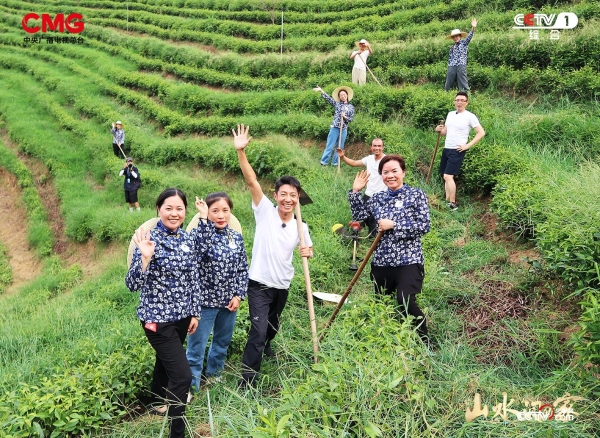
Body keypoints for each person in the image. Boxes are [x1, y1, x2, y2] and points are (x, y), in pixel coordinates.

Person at [232, 124, 313, 387]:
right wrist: (241, 152)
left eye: (293, 195)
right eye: (284, 194)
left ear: (298, 199)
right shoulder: (264, 210)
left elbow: (306, 250)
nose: (288, 199)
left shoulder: (302, 226)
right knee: (257, 331)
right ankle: (248, 382)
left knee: (271, 328)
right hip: (258, 284)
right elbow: (251, 181)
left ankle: (267, 344)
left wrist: (307, 251)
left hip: (282, 285)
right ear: (276, 195)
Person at [126, 188, 201, 438]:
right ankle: (176, 431)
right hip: (157, 319)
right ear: (158, 209)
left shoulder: (186, 238)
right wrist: (145, 258)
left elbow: (194, 279)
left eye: (179, 208)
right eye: (168, 208)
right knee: (182, 376)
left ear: (185, 211)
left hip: (181, 317)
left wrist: (195, 313)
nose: (174, 213)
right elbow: (132, 285)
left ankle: (157, 399)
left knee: (165, 360)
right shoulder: (148, 239)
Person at [348, 155, 431, 345]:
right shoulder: (377, 198)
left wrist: (394, 224)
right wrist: (355, 192)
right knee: (382, 304)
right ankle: (386, 342)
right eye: (385, 172)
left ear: (403, 172)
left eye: (394, 171)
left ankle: (424, 342)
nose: (390, 175)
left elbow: (424, 225)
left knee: (405, 300)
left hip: (408, 260)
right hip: (382, 261)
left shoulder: (416, 195)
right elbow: (360, 216)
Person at [186, 192, 249, 391]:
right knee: (196, 347)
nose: (221, 215)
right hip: (203, 304)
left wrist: (238, 295)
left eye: (225, 210)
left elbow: (242, 268)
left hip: (228, 304)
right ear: (206, 213)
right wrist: (203, 219)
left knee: (222, 342)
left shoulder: (236, 238)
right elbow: (196, 253)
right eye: (215, 211)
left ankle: (215, 376)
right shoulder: (198, 235)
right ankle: (192, 386)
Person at [435, 91, 485, 210]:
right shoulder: (450, 114)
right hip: (447, 148)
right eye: (457, 100)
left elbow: (481, 132)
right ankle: (447, 201)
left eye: (462, 100)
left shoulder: (470, 116)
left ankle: (453, 203)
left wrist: (468, 145)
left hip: (457, 150)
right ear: (454, 102)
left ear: (466, 103)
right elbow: (445, 132)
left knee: (448, 176)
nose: (459, 102)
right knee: (445, 176)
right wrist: (438, 130)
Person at [337, 138, 386, 236]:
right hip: (368, 194)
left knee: (373, 221)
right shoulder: (369, 159)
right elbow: (354, 163)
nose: (377, 148)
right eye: (375, 146)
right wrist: (343, 157)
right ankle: (357, 233)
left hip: (381, 196)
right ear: (371, 147)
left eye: (379, 146)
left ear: (383, 147)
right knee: (359, 214)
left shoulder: (386, 160)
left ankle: (372, 238)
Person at [313, 86, 355, 167]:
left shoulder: (351, 107)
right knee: (330, 145)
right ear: (339, 97)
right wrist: (321, 90)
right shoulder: (337, 104)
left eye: (344, 94)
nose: (343, 96)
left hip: (343, 129)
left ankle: (335, 164)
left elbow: (351, 119)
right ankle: (324, 163)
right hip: (335, 128)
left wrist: (345, 117)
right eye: (341, 95)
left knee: (339, 147)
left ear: (347, 95)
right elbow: (329, 99)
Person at [444, 18, 477, 92]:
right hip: (451, 66)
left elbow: (469, 37)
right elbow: (450, 58)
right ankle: (446, 95)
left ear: (460, 36)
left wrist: (473, 28)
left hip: (461, 65)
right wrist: (449, 66)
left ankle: (465, 96)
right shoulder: (452, 47)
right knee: (448, 82)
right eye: (454, 37)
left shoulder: (464, 43)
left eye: (457, 36)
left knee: (462, 82)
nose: (455, 38)